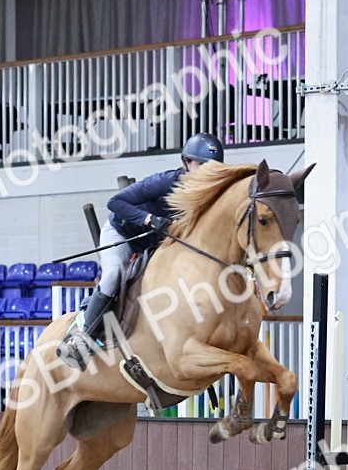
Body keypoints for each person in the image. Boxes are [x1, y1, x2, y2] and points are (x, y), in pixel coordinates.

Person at [56, 132, 225, 369]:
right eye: (202, 165)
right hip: (123, 235)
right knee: (114, 273)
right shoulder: (166, 182)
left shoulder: (209, 196)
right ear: (187, 162)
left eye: (213, 167)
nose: (208, 172)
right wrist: (149, 219)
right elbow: (115, 202)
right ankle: (83, 335)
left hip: (156, 246)